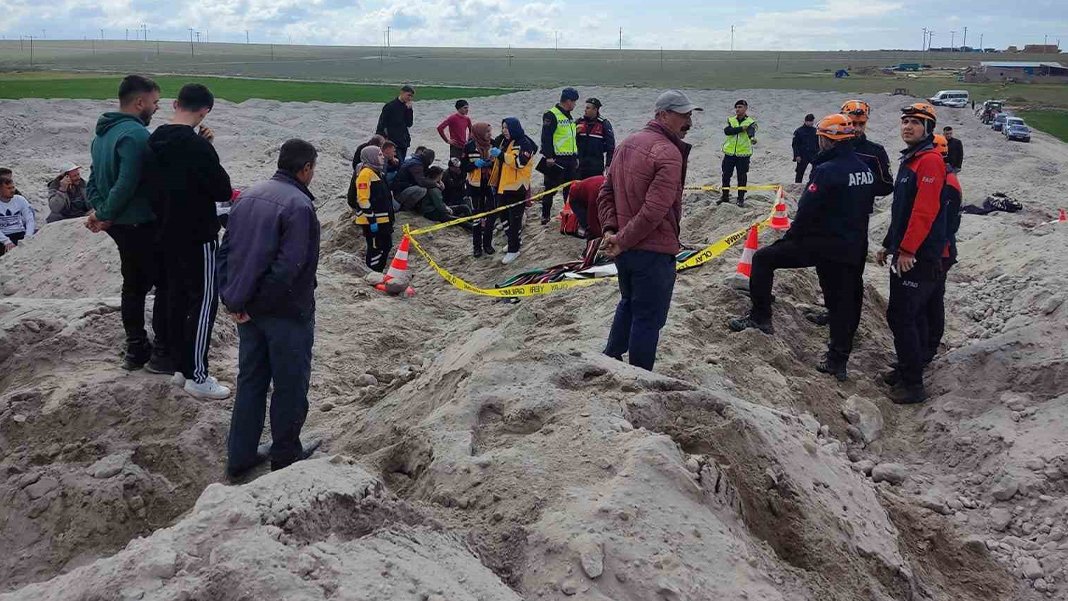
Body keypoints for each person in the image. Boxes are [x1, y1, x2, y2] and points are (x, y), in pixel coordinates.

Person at [729, 115, 873, 382]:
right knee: (845, 302)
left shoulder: (827, 170)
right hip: (852, 245)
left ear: (825, 139)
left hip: (823, 243)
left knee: (762, 259)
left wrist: (791, 238)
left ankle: (761, 317)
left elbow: (808, 210)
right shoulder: (864, 168)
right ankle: (838, 360)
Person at [218, 139, 322, 477]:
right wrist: (257, 305)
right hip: (285, 313)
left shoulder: (248, 195)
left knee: (251, 381)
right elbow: (289, 268)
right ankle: (286, 456)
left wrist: (235, 301)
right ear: (305, 169)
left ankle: (240, 455)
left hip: (247, 311)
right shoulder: (300, 207)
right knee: (290, 384)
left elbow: (227, 252)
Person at [598, 90, 698, 371]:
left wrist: (612, 231)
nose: (689, 121)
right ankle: (640, 375)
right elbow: (654, 211)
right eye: (683, 115)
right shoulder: (668, 152)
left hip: (626, 249)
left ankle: (611, 357)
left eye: (690, 115)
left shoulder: (628, 142)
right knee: (648, 318)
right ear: (662, 115)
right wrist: (619, 238)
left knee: (629, 303)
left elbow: (605, 193)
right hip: (651, 250)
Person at [147, 83, 233, 400]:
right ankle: (197, 374)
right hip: (198, 235)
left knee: (176, 299)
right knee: (204, 302)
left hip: (163, 233)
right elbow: (222, 189)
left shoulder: (155, 139)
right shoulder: (198, 146)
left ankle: (180, 368)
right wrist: (208, 148)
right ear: (205, 110)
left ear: (175, 104)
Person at [85, 74, 171, 373]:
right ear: (140, 102)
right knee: (165, 284)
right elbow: (127, 183)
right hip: (139, 224)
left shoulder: (102, 135)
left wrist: (101, 211)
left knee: (133, 285)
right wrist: (105, 213)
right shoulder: (136, 136)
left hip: (121, 225)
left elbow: (93, 180)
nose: (157, 108)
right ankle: (160, 351)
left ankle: (136, 349)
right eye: (155, 102)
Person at [875, 103, 948, 405]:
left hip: (919, 256)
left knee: (902, 316)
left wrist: (906, 250)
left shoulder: (929, 161)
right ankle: (908, 369)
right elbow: (901, 211)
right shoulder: (912, 159)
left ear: (928, 128)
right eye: (905, 121)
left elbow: (924, 211)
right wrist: (889, 243)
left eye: (916, 123)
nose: (907, 126)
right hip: (907, 251)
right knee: (908, 315)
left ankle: (913, 385)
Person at [918, 134, 962, 367]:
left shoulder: (947, 182)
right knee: (930, 300)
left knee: (930, 302)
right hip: (939, 249)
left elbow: (946, 223)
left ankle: (928, 350)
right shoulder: (946, 177)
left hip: (940, 251)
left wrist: (933, 251)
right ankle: (926, 348)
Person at [489, 117, 538, 265]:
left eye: (507, 128)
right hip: (503, 185)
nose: (504, 130)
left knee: (515, 218)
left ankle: (513, 249)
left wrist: (501, 155)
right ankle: (513, 239)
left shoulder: (524, 143)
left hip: (517, 187)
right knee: (503, 216)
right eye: (503, 127)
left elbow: (519, 163)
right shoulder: (505, 141)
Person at [350, 146, 395, 272]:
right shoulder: (365, 174)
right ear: (371, 157)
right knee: (376, 247)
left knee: (386, 245)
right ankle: (374, 271)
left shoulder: (377, 172)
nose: (382, 157)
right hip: (374, 221)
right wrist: (372, 220)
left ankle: (377, 271)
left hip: (383, 219)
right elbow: (362, 199)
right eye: (380, 155)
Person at [539, 87, 580, 225]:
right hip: (556, 159)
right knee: (550, 188)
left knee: (569, 189)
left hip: (570, 158)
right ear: (568, 101)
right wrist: (548, 156)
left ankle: (568, 213)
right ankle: (545, 215)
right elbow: (546, 137)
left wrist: (576, 156)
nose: (575, 105)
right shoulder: (551, 115)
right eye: (574, 102)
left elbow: (570, 137)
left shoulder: (568, 116)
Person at [462, 122, 497, 257]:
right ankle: (477, 247)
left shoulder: (494, 144)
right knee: (477, 216)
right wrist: (475, 164)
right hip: (475, 185)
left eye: (490, 131)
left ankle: (488, 244)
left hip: (490, 183)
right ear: (479, 133)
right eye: (487, 132)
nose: (490, 134)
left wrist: (492, 162)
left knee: (491, 214)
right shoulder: (469, 146)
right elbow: (464, 166)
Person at [717, 99, 757, 207]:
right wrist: (741, 128)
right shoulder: (731, 120)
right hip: (730, 153)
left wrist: (752, 138)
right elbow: (727, 131)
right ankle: (725, 196)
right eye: (737, 107)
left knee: (742, 176)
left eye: (740, 107)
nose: (738, 109)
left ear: (745, 108)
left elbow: (751, 132)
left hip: (743, 154)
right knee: (726, 175)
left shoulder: (750, 122)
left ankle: (740, 198)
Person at [393, 148, 445, 213]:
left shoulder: (417, 161)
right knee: (421, 190)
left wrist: (438, 181)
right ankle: (405, 208)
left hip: (404, 188)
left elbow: (425, 175)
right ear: (431, 159)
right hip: (400, 192)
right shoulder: (416, 165)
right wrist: (435, 184)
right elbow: (422, 182)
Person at [576, 98, 616, 181]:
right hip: (579, 164)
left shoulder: (603, 124)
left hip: (596, 165)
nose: (585, 110)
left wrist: (609, 164)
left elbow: (610, 146)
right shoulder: (579, 122)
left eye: (588, 108)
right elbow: (570, 142)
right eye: (585, 108)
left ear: (595, 109)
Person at [376, 85, 415, 160]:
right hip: (392, 141)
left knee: (401, 162)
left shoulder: (407, 107)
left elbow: (409, 124)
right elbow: (382, 124)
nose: (410, 98)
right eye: (408, 95)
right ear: (402, 93)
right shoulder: (390, 106)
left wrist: (409, 110)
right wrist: (384, 140)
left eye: (411, 96)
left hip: (403, 141)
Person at [0, 173, 35, 256]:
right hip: (4, 235)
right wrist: (6, 241)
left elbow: (30, 219)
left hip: (20, 233)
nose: (12, 190)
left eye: (13, 187)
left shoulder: (20, 200)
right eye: (8, 188)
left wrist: (28, 237)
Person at [568, 174, 606, 241]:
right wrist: (600, 235)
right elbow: (592, 218)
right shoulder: (595, 195)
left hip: (586, 193)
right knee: (586, 222)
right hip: (575, 198)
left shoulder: (609, 185)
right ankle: (586, 235)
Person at [791, 114, 818, 184]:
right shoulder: (799, 131)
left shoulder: (815, 131)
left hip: (813, 154)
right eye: (810, 121)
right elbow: (795, 145)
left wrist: (819, 153)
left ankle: (812, 184)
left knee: (816, 170)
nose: (811, 123)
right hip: (803, 155)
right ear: (806, 121)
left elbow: (818, 143)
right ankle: (797, 185)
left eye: (812, 121)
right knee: (800, 172)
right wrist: (797, 155)